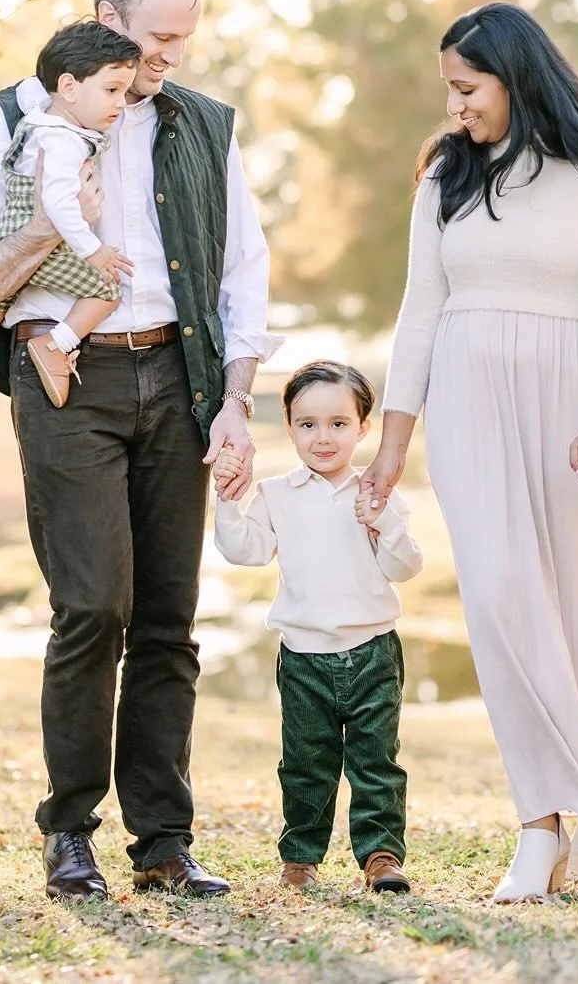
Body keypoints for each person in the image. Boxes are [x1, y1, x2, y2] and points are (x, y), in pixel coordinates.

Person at [0, 0, 281, 901]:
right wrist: (51, 223)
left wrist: (236, 403)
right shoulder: (15, 118)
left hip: (178, 373)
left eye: (185, 37)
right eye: (157, 35)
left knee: (169, 619)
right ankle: (68, 832)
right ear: (107, 18)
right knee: (91, 607)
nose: (171, 55)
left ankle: (164, 842)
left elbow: (243, 275)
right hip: (64, 380)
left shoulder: (205, 125)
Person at [359, 1, 578, 902]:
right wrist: (391, 444)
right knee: (497, 599)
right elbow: (418, 311)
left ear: (515, 77)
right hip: (466, 405)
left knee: (577, 608)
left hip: (573, 414)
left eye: (467, 88)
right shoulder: (445, 177)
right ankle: (538, 822)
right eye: (448, 90)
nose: (455, 107)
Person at [213, 360, 423, 895]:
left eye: (338, 423)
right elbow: (246, 551)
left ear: (363, 428)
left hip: (373, 650)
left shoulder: (376, 491)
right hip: (304, 657)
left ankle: (381, 855)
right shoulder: (277, 493)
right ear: (289, 428)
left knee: (376, 761)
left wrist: (382, 520)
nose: (323, 437)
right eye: (308, 424)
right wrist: (228, 503)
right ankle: (301, 858)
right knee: (306, 763)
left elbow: (405, 567)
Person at [0, 21, 141, 409]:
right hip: (38, 232)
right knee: (109, 290)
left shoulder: (39, 120)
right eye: (112, 90)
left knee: (8, 289)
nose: (121, 103)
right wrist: (92, 251)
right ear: (69, 87)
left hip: (10, 227)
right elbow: (58, 202)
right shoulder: (64, 138)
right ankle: (56, 346)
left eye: (124, 92)